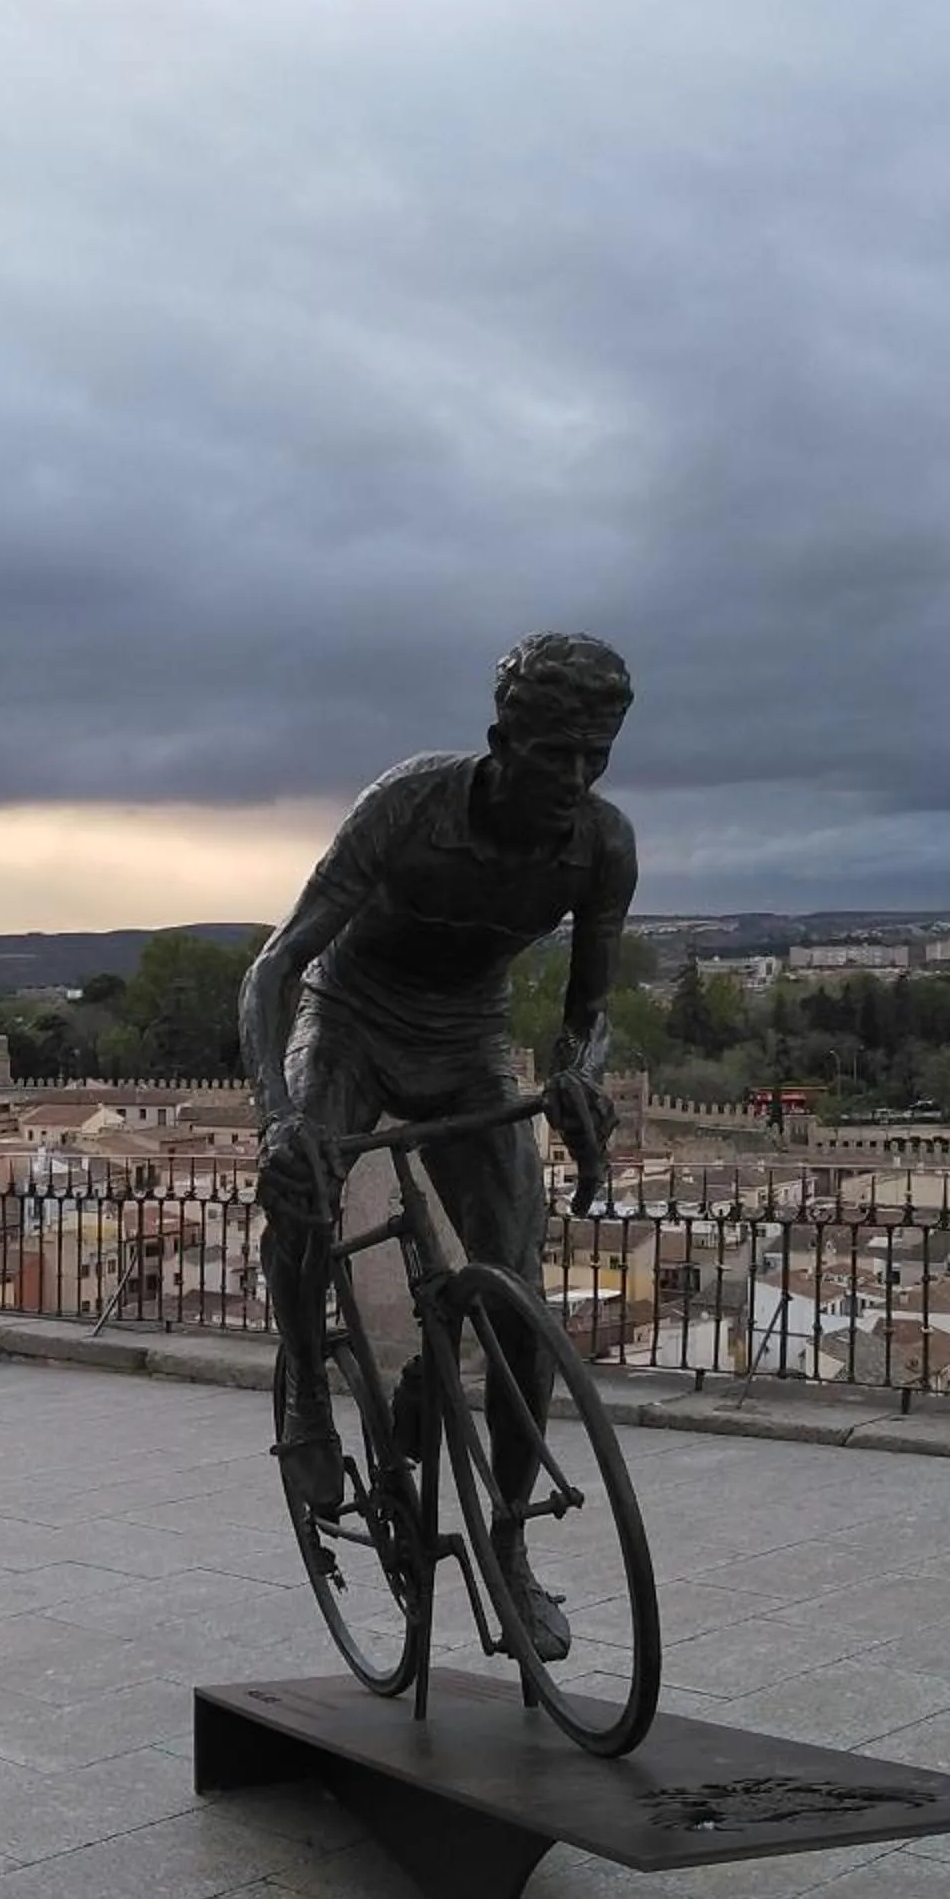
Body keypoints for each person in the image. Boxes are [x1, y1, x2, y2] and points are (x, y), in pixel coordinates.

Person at [241, 632, 635, 1661]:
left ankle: (508, 1548)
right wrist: (280, 1118)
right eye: (557, 755)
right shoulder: (409, 807)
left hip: (465, 1041)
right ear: (502, 740)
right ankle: (302, 1382)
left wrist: (582, 1074)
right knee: (303, 1188)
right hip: (352, 1018)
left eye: (597, 757)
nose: (578, 779)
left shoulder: (601, 846)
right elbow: (276, 967)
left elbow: (590, 1009)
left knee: (517, 1295)